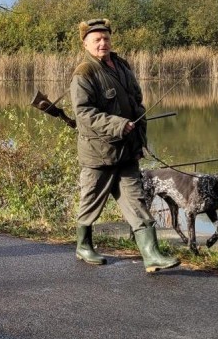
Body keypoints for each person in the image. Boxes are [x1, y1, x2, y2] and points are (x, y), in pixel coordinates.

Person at [70, 18, 179, 272]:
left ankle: (151, 255)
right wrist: (119, 124)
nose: (102, 43)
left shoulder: (121, 65)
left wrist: (138, 129)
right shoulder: (84, 73)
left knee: (137, 201)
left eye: (106, 38)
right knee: (90, 201)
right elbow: (84, 113)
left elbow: (137, 99)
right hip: (100, 153)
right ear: (86, 44)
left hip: (127, 151)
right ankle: (83, 246)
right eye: (96, 39)